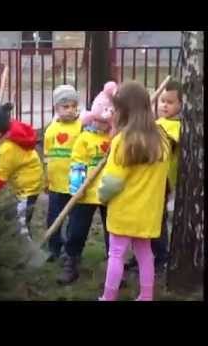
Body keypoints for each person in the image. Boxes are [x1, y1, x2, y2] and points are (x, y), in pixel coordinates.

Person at [98, 81, 171, 301]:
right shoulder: (162, 139)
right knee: (145, 253)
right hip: (148, 212)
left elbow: (112, 182)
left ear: (124, 110)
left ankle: (108, 297)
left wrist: (102, 196)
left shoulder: (123, 141)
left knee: (116, 254)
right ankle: (146, 296)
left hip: (124, 211)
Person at [56, 81, 117, 284]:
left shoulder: (115, 139)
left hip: (108, 192)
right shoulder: (84, 139)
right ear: (92, 118)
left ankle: (113, 268)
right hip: (86, 192)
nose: (101, 125)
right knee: (77, 228)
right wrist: (77, 187)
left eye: (106, 122)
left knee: (112, 231)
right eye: (98, 121)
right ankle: (71, 260)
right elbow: (77, 163)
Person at [125, 80, 183, 274]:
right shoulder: (157, 123)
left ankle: (160, 256)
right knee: (141, 217)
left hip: (162, 181)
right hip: (147, 180)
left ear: (181, 105)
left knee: (156, 218)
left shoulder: (174, 127)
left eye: (170, 102)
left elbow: (161, 143)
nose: (164, 105)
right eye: (162, 101)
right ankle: (141, 254)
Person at [0, 102, 43, 240]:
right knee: (19, 218)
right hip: (27, 181)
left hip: (27, 188)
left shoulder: (9, 149)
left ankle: (29, 255)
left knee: (20, 225)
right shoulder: (11, 133)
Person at [43, 85, 83, 261]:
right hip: (55, 184)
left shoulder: (81, 127)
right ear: (56, 108)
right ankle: (54, 247)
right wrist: (46, 178)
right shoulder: (51, 130)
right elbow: (47, 155)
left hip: (74, 183)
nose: (70, 110)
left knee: (74, 219)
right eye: (65, 107)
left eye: (74, 106)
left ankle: (71, 250)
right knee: (54, 217)